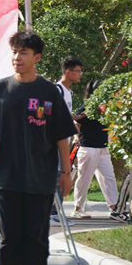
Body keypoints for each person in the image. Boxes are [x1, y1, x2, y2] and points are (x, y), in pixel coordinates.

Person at [0, 31, 76, 265]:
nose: (17, 58)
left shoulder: (49, 92)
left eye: (23, 53)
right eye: (14, 52)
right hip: (6, 177)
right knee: (11, 237)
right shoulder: (0, 89)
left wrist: (65, 171)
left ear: (37, 58)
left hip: (42, 179)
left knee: (36, 238)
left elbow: (60, 135)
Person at [71, 80, 122, 221]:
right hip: (88, 148)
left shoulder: (107, 107)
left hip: (103, 149)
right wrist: (77, 137)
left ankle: (113, 208)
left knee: (109, 178)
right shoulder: (88, 105)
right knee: (84, 179)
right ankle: (78, 209)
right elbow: (76, 122)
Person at [50, 56, 83, 226]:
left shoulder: (69, 92)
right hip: (55, 141)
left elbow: (65, 116)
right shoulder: (57, 90)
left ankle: (56, 213)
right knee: (59, 175)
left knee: (62, 174)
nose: (80, 75)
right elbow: (55, 116)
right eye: (77, 71)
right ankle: (54, 214)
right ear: (68, 72)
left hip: (65, 140)